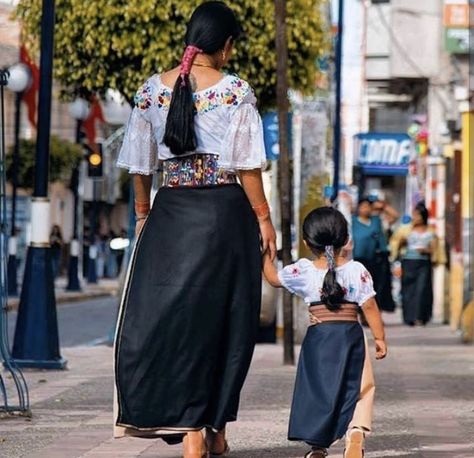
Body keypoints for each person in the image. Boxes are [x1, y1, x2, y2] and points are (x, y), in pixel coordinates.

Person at [114, 3, 277, 457]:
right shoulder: (235, 92)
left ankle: (192, 431)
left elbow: (140, 165)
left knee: (177, 324)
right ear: (225, 46)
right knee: (229, 322)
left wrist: (144, 213)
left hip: (171, 214)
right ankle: (214, 427)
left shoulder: (151, 91)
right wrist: (264, 220)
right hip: (226, 216)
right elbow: (247, 166)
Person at [263, 207, 387, 458]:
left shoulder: (304, 270)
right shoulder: (357, 270)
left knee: (318, 389)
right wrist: (380, 338)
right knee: (360, 386)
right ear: (346, 239)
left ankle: (318, 447)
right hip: (351, 335)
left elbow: (274, 279)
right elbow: (370, 305)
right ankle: (356, 433)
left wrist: (266, 253)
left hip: (319, 338)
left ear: (308, 242)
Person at [391, 203, 437, 326]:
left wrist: (425, 251)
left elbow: (434, 249)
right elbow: (396, 244)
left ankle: (421, 316)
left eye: (418, 215)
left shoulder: (430, 231)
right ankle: (409, 317)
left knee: (422, 290)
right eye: (414, 215)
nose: (415, 217)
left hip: (423, 263)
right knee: (408, 290)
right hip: (408, 262)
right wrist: (401, 242)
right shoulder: (405, 230)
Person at [352, 198, 395, 313]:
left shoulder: (376, 220)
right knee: (360, 287)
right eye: (363, 206)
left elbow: (394, 216)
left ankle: (375, 312)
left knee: (375, 287)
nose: (366, 209)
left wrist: (382, 206)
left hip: (376, 260)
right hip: (359, 259)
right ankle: (362, 313)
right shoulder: (353, 221)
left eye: (368, 206)